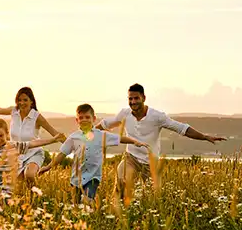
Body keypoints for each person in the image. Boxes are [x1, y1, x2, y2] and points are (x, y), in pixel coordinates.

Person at [95, 83, 226, 201]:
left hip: (151, 163)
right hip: (131, 159)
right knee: (122, 180)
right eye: (130, 99)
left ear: (143, 98)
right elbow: (106, 124)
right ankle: (116, 211)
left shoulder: (157, 116)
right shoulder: (124, 114)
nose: (133, 102)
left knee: (150, 198)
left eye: (136, 98)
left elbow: (181, 128)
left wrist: (204, 136)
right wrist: (86, 134)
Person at [40, 104, 149, 204]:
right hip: (76, 178)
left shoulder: (101, 135)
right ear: (77, 120)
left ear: (94, 119)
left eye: (87, 117)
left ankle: (91, 211)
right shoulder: (73, 137)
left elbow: (120, 138)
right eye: (81, 118)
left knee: (87, 200)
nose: (84, 120)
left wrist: (134, 141)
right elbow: (62, 154)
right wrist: (48, 167)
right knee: (76, 205)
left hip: (93, 177)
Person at [0, 87, 66, 192]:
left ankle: (35, 196)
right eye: (19, 100)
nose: (21, 103)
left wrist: (72, 145)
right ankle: (27, 201)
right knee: (18, 187)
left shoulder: (36, 117)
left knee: (29, 175)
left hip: (33, 152)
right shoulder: (13, 111)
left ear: (31, 102)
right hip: (17, 154)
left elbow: (54, 132)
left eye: (25, 100)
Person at [0, 118, 63, 205]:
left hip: (6, 188)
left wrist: (53, 140)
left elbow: (32, 144)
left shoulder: (14, 146)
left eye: (1, 135)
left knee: (2, 210)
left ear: (7, 134)